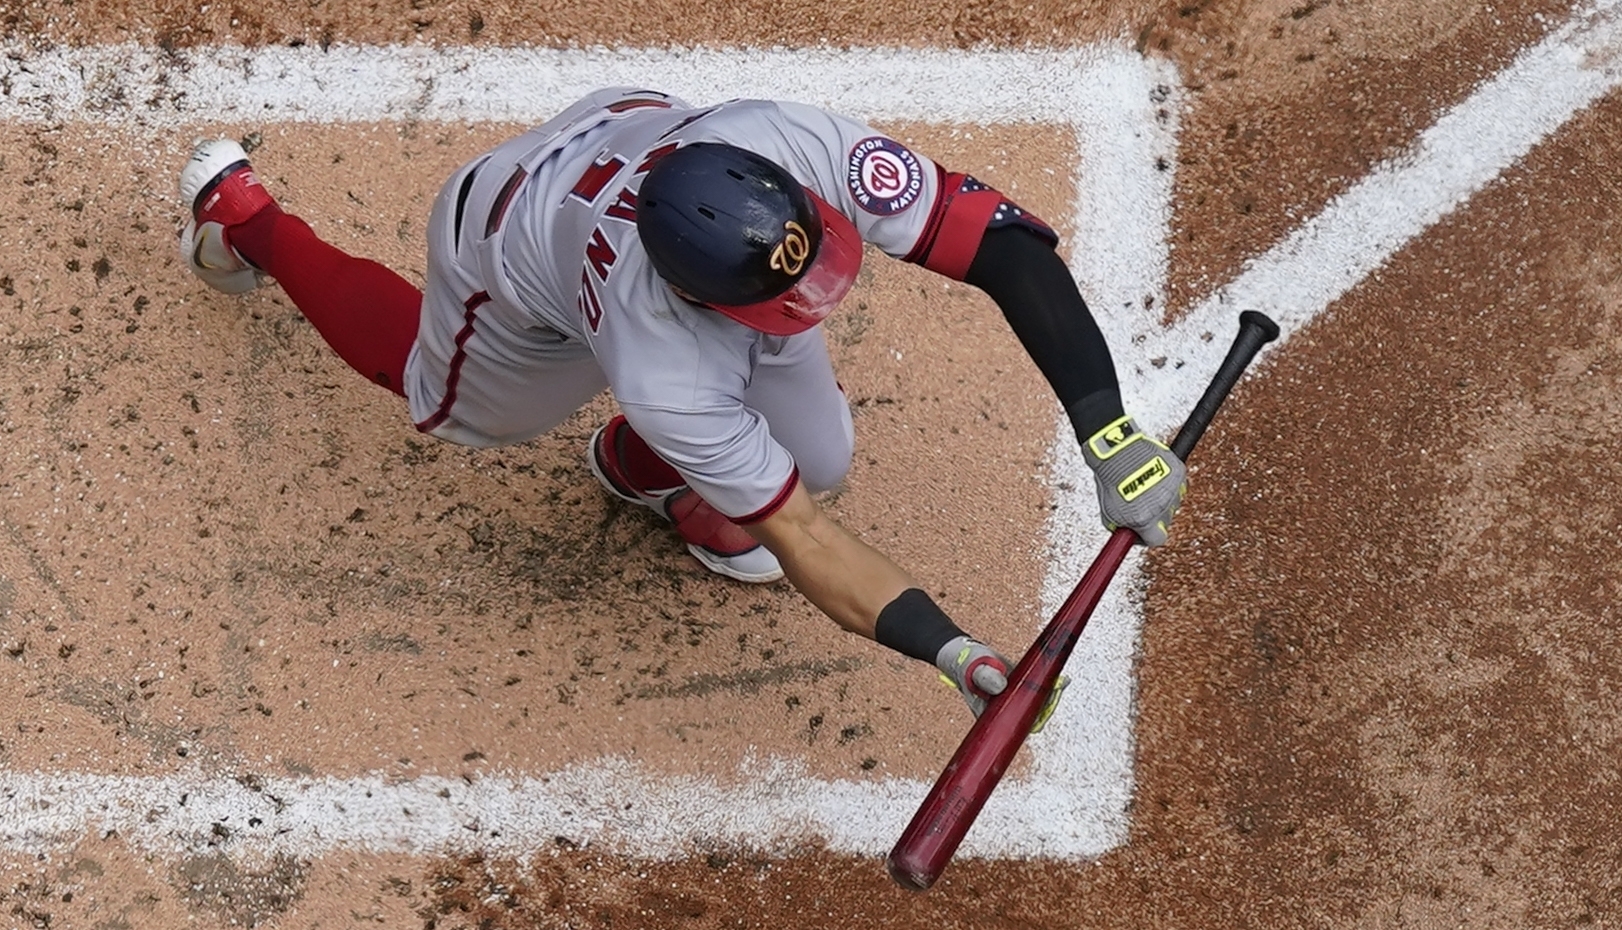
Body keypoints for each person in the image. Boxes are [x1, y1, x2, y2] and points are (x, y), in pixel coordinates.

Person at [174, 88, 1184, 716]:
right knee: (442, 397)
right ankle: (246, 223)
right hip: (506, 242)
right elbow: (801, 540)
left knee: (819, 456)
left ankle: (641, 472)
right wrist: (953, 655)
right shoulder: (664, 367)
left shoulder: (786, 140)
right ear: (700, 300)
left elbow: (999, 244)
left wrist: (1108, 432)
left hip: (629, 131)